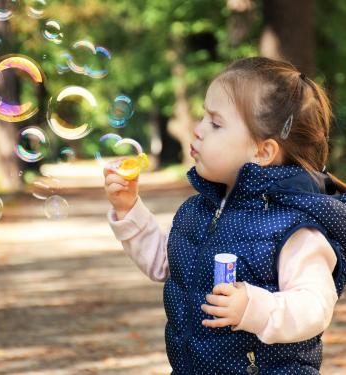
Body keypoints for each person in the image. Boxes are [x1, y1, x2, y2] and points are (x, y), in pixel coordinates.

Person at [104, 56, 346, 374]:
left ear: (262, 152)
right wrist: (128, 208)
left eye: (216, 123)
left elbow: (315, 306)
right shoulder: (198, 209)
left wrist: (254, 308)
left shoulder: (293, 227)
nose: (198, 130)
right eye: (204, 117)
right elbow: (166, 263)